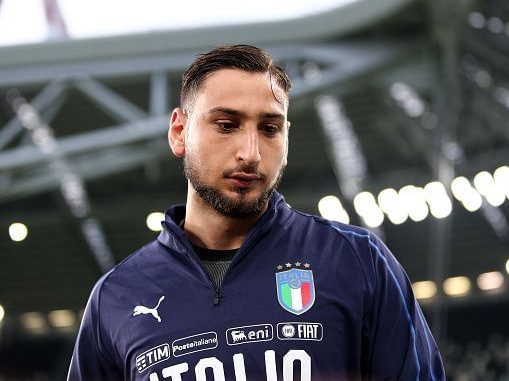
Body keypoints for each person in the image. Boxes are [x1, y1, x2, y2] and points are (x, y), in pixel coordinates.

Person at [68, 44, 445, 381]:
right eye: (227, 125)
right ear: (179, 132)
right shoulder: (115, 297)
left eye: (269, 128)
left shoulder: (358, 261)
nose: (250, 152)